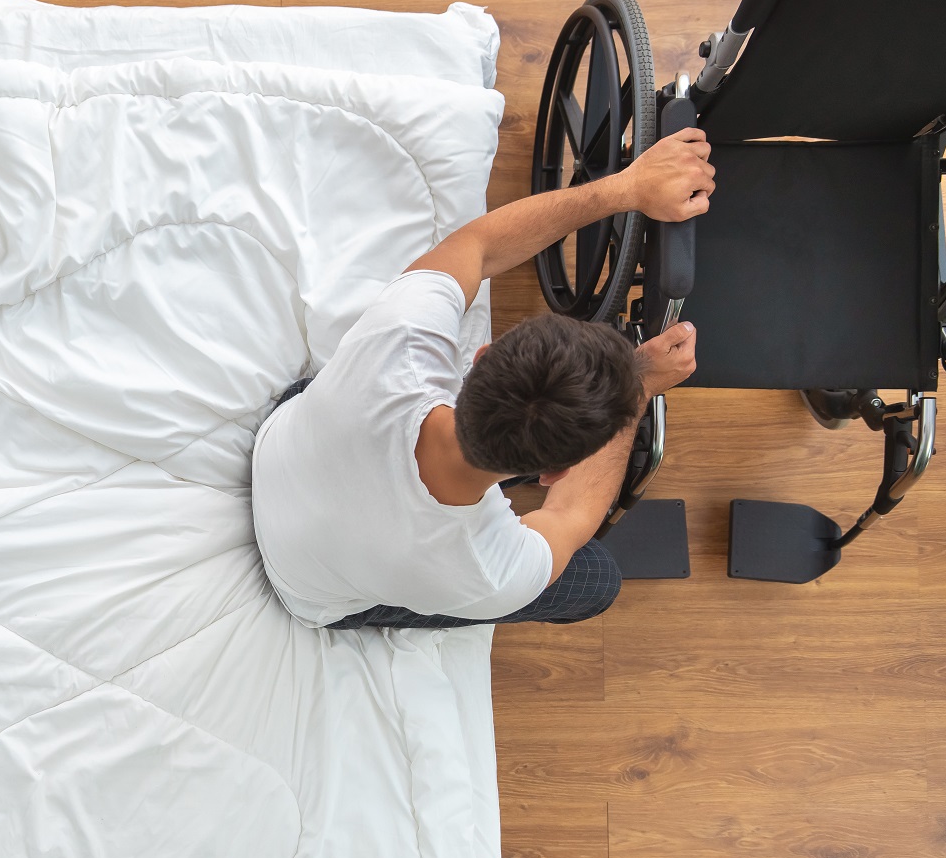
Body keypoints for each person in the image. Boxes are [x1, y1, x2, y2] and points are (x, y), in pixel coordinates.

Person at [251, 127, 715, 631]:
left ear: (483, 355)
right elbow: (570, 517)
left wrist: (626, 187)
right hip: (302, 589)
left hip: (284, 448)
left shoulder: (400, 337)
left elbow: (477, 244)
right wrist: (640, 386)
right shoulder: (490, 574)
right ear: (556, 471)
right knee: (596, 580)